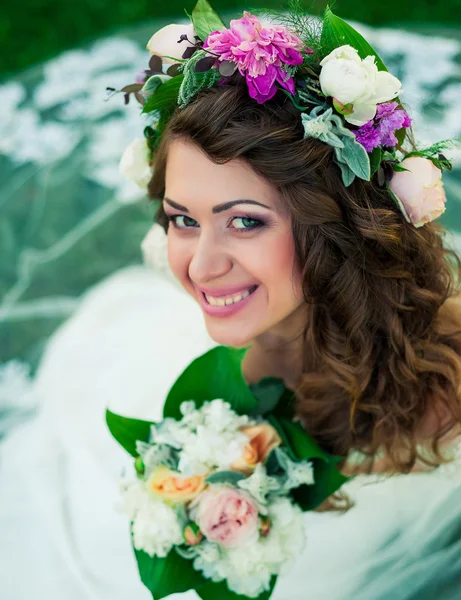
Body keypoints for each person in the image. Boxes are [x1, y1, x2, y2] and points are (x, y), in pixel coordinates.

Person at [3, 6, 461, 600]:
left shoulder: (441, 398)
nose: (200, 266)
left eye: (245, 221)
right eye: (182, 220)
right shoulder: (241, 308)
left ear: (333, 228)